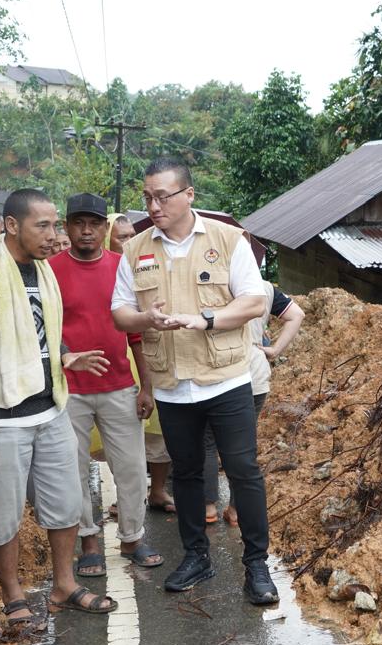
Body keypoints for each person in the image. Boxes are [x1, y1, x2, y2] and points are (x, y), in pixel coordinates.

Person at [0, 188, 118, 623]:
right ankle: (13, 595)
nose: (54, 234)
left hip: (49, 409)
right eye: (43, 225)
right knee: (4, 514)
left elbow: (42, 329)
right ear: (12, 226)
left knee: (66, 504)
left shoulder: (42, 271)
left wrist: (65, 354)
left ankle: (64, 585)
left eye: (55, 224)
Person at [110, 157, 278, 605]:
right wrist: (146, 317)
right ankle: (196, 557)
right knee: (185, 474)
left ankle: (256, 566)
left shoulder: (226, 240)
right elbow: (120, 311)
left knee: (243, 471)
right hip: (172, 385)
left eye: (163, 195)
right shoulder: (136, 249)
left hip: (225, 380)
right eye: (147, 196)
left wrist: (205, 319)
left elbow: (254, 302)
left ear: (189, 195)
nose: (154, 204)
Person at [50, 193, 164, 577]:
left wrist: (145, 386)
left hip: (119, 385)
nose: (86, 230)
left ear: (105, 228)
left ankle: (132, 537)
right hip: (69, 390)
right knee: (73, 469)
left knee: (131, 466)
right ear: (66, 227)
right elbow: (43, 330)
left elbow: (138, 334)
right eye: (78, 223)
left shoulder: (123, 267)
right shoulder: (49, 271)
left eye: (95, 223)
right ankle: (89, 541)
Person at [203, 280, 305, 527]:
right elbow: (296, 314)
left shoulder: (209, 282)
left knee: (207, 441)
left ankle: (207, 508)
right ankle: (236, 511)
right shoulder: (264, 288)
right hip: (255, 374)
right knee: (242, 444)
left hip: (217, 371)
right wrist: (275, 349)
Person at [107, 212, 176, 514]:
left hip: (147, 352)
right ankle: (127, 497)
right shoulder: (104, 269)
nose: (128, 241)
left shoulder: (144, 263)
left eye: (130, 235)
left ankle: (158, 490)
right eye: (121, 236)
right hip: (114, 358)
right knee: (121, 432)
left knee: (158, 426)